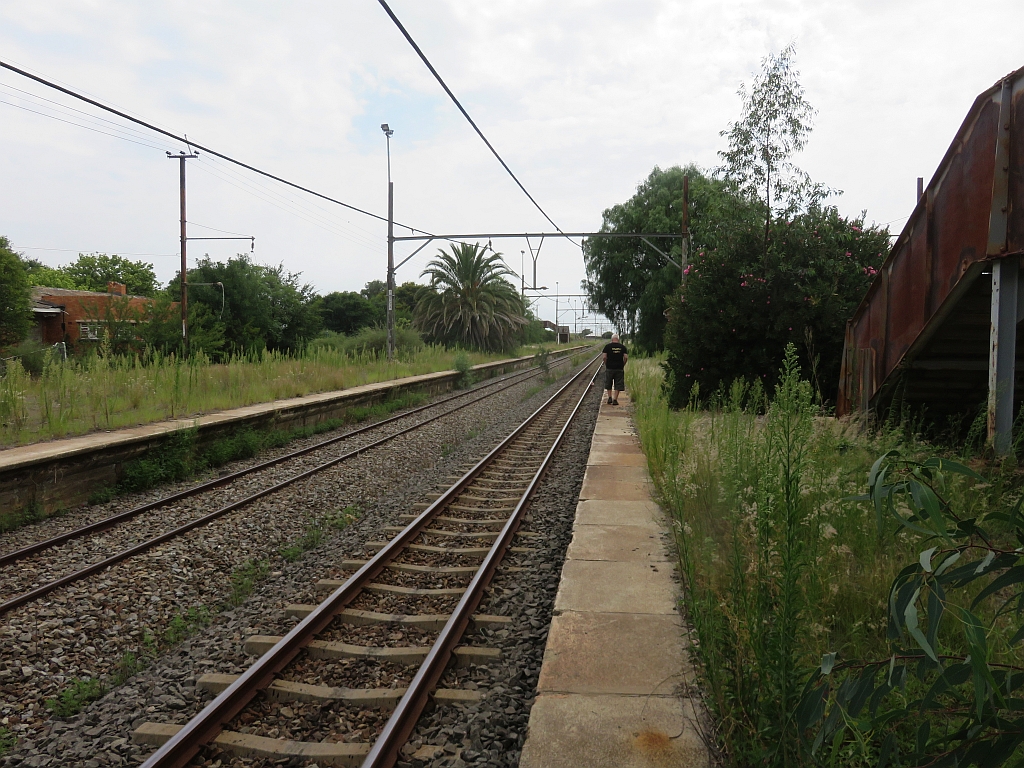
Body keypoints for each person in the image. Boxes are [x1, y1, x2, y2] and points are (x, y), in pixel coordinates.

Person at [602, 334, 628, 405]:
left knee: (608, 382)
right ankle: (615, 399)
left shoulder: (607, 346)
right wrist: (623, 364)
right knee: (618, 383)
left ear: (611, 339)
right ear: (618, 339)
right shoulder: (622, 347)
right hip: (619, 368)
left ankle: (609, 397)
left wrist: (606, 364)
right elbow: (626, 357)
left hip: (609, 368)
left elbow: (604, 357)